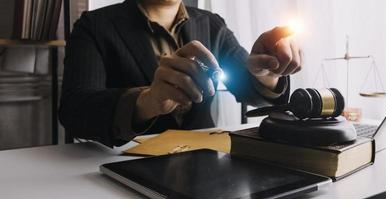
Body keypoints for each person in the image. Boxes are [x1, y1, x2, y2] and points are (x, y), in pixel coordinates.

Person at [59, 0, 302, 147]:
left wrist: (267, 72)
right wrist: (147, 102)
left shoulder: (212, 24)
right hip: (123, 166)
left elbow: (249, 86)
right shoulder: (95, 26)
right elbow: (73, 110)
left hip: (207, 165)